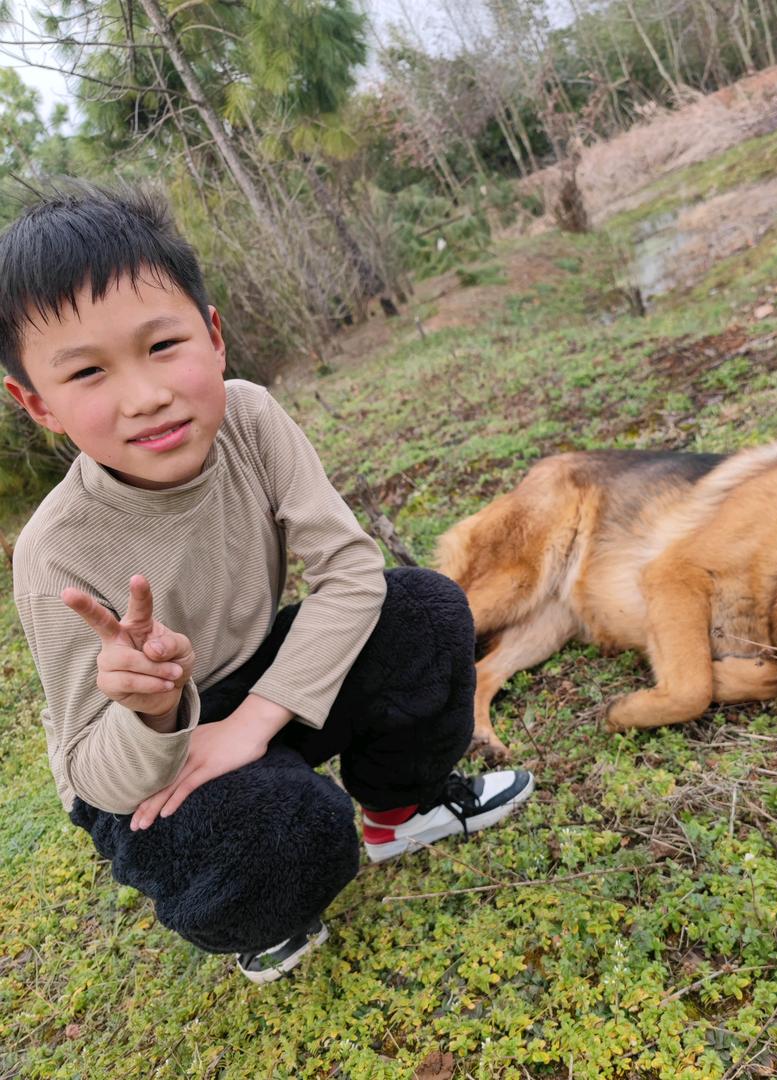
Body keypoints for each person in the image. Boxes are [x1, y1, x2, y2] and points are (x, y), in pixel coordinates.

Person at [1, 182, 533, 984]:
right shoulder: (55, 552)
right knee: (291, 834)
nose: (145, 395)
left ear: (213, 336)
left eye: (161, 345)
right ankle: (260, 918)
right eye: (87, 373)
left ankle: (401, 813)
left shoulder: (249, 419)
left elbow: (351, 572)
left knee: (422, 608)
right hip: (143, 764)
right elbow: (92, 775)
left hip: (252, 691)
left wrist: (255, 721)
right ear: (36, 404)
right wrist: (150, 709)